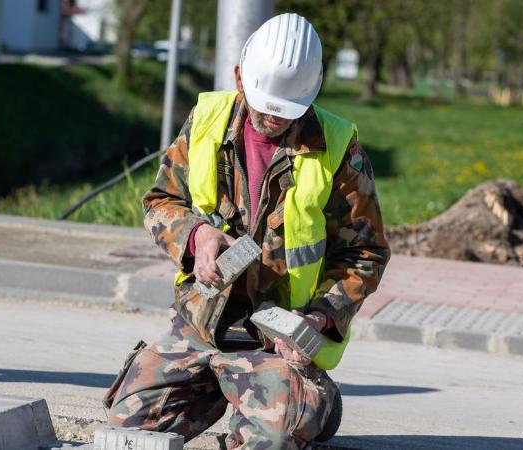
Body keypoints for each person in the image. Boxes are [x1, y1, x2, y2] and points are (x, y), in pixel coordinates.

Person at [103, 13, 390, 449]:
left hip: (273, 341)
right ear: (240, 77)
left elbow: (364, 252)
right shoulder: (206, 121)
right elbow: (159, 202)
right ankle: (223, 389)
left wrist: (317, 318)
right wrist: (196, 236)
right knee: (129, 420)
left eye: (286, 112)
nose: (273, 121)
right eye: (263, 107)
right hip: (202, 324)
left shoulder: (337, 147)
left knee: (269, 437)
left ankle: (314, 400)